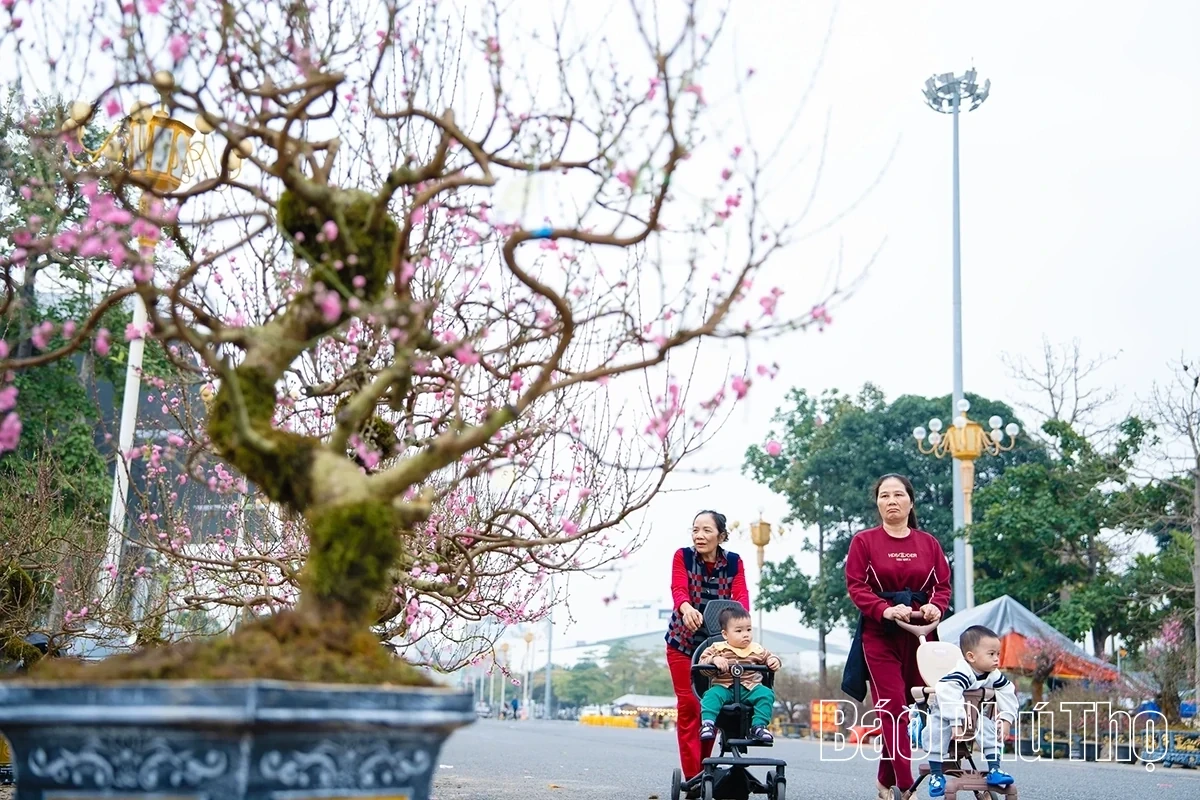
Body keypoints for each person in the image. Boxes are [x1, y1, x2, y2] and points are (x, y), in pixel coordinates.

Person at [843, 474, 952, 800]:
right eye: (884, 496)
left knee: (912, 707)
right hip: (880, 635)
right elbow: (856, 587)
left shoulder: (929, 543)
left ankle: (882, 780)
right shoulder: (863, 542)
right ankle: (906, 786)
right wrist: (885, 609)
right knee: (892, 709)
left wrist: (936, 607)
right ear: (877, 503)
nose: (891, 501)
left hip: (919, 636)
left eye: (898, 495)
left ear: (910, 501)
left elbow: (942, 586)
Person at [665, 510, 750, 788]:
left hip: (716, 648)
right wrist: (686, 607)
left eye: (706, 531)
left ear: (721, 536)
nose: (699, 536)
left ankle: (706, 771)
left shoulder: (734, 563)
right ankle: (692, 779)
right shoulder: (683, 557)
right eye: (695, 530)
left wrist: (741, 627)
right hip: (683, 643)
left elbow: (741, 597)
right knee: (689, 705)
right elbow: (679, 588)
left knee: (709, 706)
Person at [925, 625, 1017, 798]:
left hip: (973, 714)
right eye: (991, 654)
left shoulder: (993, 674)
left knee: (989, 727)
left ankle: (995, 769)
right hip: (945, 714)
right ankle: (936, 774)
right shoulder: (961, 673)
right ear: (971, 657)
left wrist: (1006, 719)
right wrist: (955, 723)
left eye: (998, 654)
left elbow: (1007, 691)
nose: (997, 659)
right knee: (935, 730)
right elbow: (948, 692)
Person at [697, 606, 781, 743]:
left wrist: (773, 661)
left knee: (766, 694)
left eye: (748, 629)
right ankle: (708, 724)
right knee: (711, 695)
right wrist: (714, 660)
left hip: (750, 687)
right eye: (739, 631)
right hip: (724, 687)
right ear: (725, 634)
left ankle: (759, 726)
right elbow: (702, 664)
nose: (746, 634)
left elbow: (770, 657)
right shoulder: (717, 648)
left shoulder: (756, 649)